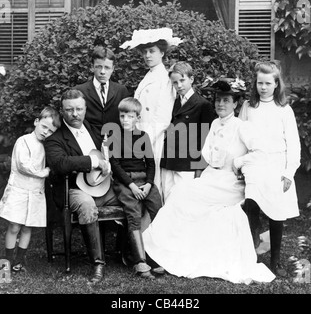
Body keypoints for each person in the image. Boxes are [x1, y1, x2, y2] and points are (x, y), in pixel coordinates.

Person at [142, 77, 276, 284]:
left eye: (226, 100)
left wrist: (240, 161)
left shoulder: (242, 127)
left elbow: (261, 152)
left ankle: (169, 252)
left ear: (235, 103)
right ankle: (166, 251)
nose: (220, 104)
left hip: (231, 182)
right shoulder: (214, 123)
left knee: (185, 195)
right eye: (218, 100)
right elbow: (208, 156)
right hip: (212, 177)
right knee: (180, 193)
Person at [44, 89, 120, 284]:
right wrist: (94, 162)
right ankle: (98, 263)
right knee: (87, 205)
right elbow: (60, 163)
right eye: (69, 110)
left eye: (79, 109)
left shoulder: (95, 130)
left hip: (102, 186)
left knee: (130, 198)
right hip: (74, 189)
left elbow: (109, 154)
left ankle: (131, 254)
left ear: (85, 109)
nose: (75, 114)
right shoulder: (55, 138)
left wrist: (108, 163)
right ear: (62, 111)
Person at [239, 61, 301, 276]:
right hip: (255, 163)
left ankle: (275, 260)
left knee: (276, 213)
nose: (263, 87)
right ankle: (251, 254)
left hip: (276, 165)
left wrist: (288, 173)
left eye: (268, 83)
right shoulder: (248, 107)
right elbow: (239, 136)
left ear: (276, 84)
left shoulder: (284, 110)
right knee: (251, 207)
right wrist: (239, 163)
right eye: (259, 83)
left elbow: (293, 144)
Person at [120, 28, 182, 199]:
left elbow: (163, 117)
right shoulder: (148, 76)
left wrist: (143, 140)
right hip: (141, 136)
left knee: (153, 181)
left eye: (152, 51)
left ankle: (155, 222)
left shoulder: (165, 78)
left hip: (154, 139)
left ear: (162, 52)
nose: (148, 55)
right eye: (145, 52)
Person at [0, 106, 61, 273]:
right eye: (44, 127)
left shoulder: (47, 146)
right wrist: (44, 172)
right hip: (19, 190)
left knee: (28, 227)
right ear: (36, 122)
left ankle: (19, 263)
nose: (46, 132)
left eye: (50, 131)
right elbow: (23, 166)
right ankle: (6, 264)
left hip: (35, 192)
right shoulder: (24, 141)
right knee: (14, 226)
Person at [108, 97, 162, 279]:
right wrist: (132, 186)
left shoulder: (143, 136)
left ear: (137, 118)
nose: (125, 120)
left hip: (143, 180)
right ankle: (140, 261)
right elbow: (115, 165)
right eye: (122, 116)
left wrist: (148, 184)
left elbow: (151, 164)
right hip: (125, 182)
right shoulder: (114, 137)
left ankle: (156, 255)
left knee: (157, 208)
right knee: (133, 213)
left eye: (130, 117)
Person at [160, 61, 215, 201]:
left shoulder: (203, 105)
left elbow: (205, 140)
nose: (179, 85)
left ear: (191, 79)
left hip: (187, 165)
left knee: (183, 202)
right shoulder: (172, 102)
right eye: (175, 82)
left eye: (182, 80)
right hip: (169, 162)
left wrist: (199, 169)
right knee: (167, 201)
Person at [75, 46, 129, 140]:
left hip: (116, 145)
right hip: (89, 144)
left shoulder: (121, 91)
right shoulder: (80, 91)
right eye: (99, 67)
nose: (102, 72)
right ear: (92, 67)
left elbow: (127, 121)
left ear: (113, 68)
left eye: (107, 67)